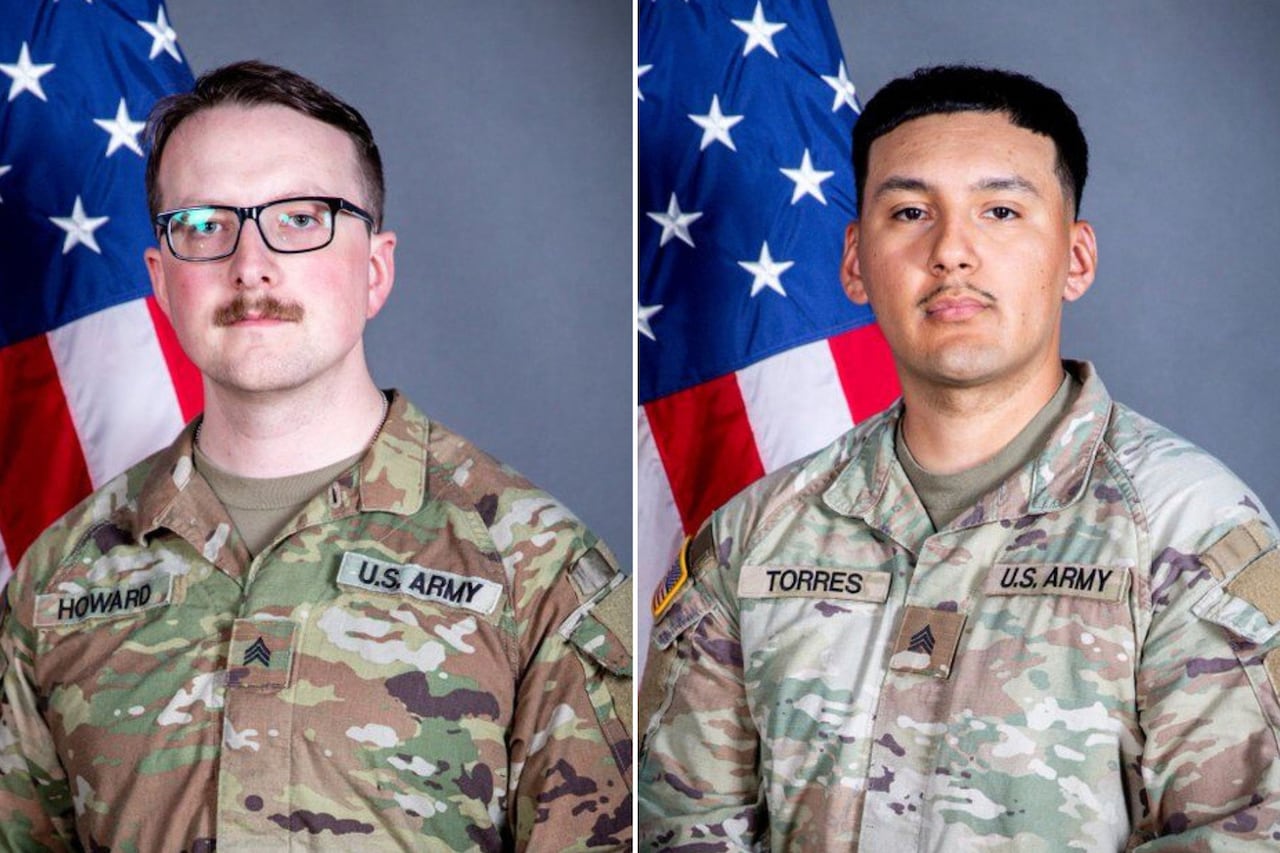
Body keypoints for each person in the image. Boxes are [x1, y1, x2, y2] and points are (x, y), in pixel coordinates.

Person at [637, 65, 1280, 850]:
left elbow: (1248, 833)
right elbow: (681, 827)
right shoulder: (752, 538)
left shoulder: (1193, 533)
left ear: (1076, 259)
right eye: (911, 212)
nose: (951, 252)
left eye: (1000, 211)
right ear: (854, 261)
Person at [0, 61, 632, 851]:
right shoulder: (58, 581)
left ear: (375, 270)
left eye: (301, 218)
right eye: (204, 224)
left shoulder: (536, 567)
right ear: (161, 281)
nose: (250, 263)